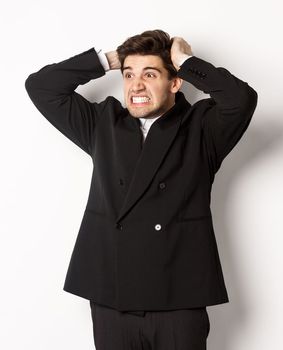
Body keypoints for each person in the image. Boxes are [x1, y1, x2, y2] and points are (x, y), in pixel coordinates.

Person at [25, 29, 258, 349]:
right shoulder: (102, 122)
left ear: (175, 82)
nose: (135, 85)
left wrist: (184, 60)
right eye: (129, 74)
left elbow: (241, 99)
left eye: (150, 74)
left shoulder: (202, 128)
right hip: (113, 295)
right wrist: (109, 59)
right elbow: (42, 86)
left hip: (178, 298)